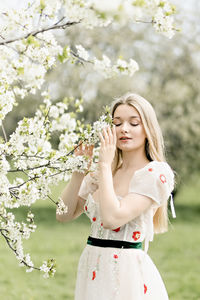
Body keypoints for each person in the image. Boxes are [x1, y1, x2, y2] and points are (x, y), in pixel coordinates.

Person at [56, 93, 175, 300]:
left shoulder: (155, 173)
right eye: (117, 123)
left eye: (134, 123)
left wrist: (103, 165)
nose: (124, 129)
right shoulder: (104, 173)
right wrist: (78, 174)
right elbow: (63, 215)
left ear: (148, 129)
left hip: (126, 271)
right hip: (92, 265)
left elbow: (112, 219)